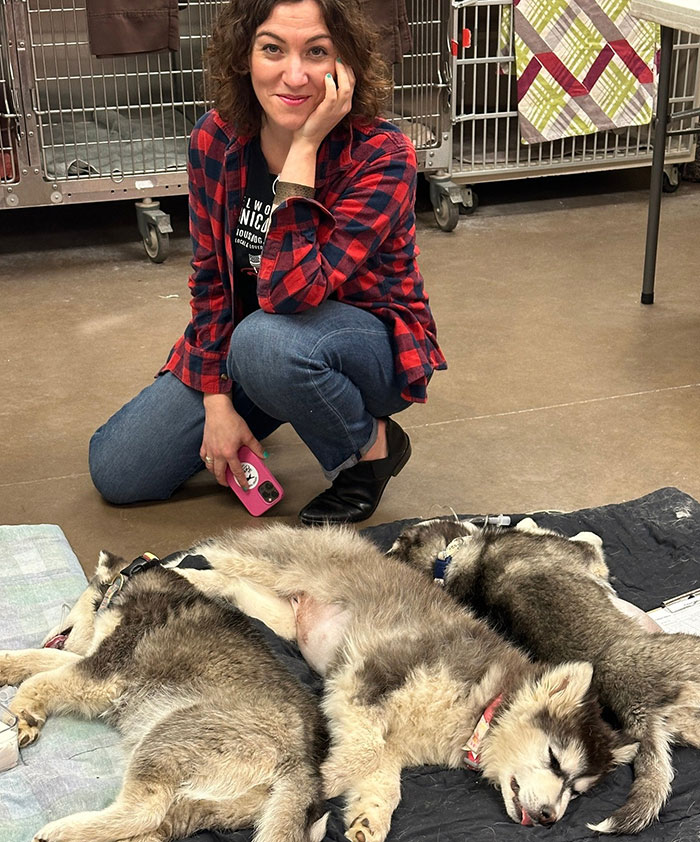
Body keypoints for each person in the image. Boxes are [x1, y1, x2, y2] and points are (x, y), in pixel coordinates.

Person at [89, 0, 446, 525]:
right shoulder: (216, 139)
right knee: (119, 470)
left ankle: (371, 449)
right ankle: (278, 392)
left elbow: (293, 295)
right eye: (273, 49)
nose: (295, 75)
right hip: (254, 347)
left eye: (317, 52)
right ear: (245, 55)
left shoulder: (382, 154)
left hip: (365, 347)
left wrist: (303, 151)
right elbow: (210, 277)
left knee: (266, 340)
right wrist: (217, 402)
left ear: (344, 65)